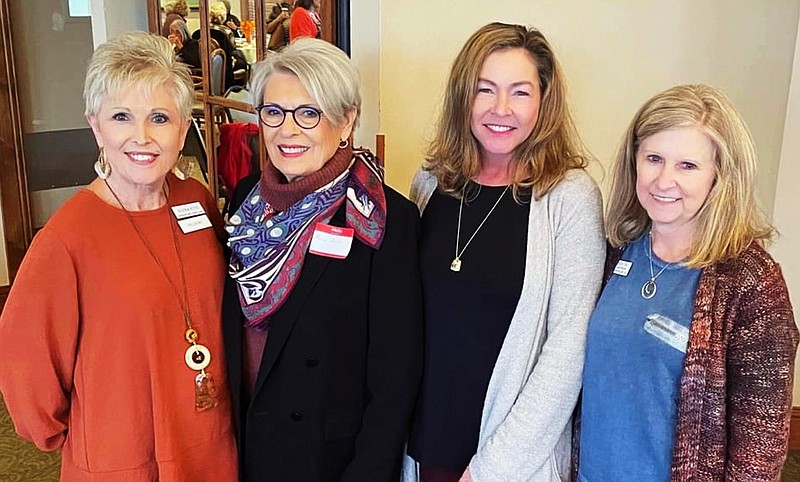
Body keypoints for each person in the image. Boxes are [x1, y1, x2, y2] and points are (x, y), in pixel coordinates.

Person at [0, 32, 238, 481]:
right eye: (122, 116)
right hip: (123, 455)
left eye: (160, 117)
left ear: (184, 128)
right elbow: (26, 367)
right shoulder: (67, 238)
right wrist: (95, 431)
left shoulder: (198, 202)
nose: (142, 137)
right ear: (96, 127)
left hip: (209, 444)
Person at [404, 22, 605, 482]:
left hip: (507, 457)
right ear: (463, 97)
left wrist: (493, 469)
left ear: (544, 101)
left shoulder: (569, 196)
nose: (501, 109)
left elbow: (569, 349)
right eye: (485, 89)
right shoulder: (431, 181)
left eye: (520, 92)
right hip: (425, 443)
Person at [222, 37, 423, 481]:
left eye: (309, 113)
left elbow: (395, 376)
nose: (286, 130)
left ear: (346, 120)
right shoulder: (243, 200)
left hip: (328, 461)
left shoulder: (385, 219)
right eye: (273, 112)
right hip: (246, 447)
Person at [576, 84, 798, 481]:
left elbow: (759, 449)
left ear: (720, 176)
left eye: (687, 166)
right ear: (635, 161)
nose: (664, 180)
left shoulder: (751, 282)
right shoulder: (612, 251)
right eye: (654, 158)